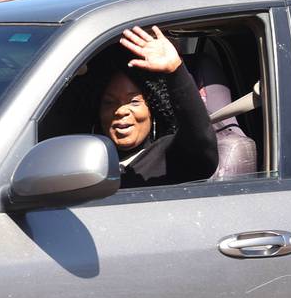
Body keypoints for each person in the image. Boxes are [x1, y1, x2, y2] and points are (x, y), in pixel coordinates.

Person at [92, 26, 218, 188]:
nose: (121, 111)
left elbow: (202, 143)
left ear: (153, 108)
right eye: (109, 102)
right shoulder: (86, 160)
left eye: (134, 102)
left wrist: (175, 71)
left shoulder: (170, 155)